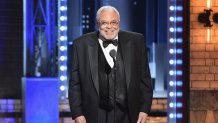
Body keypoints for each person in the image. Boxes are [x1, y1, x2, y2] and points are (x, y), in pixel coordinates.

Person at [68, 5, 153, 123]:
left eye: (113, 22)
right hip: (94, 115)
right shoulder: (81, 44)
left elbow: (145, 80)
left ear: (118, 23)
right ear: (98, 24)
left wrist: (144, 109)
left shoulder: (136, 41)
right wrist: (78, 114)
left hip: (127, 114)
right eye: (104, 23)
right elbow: (74, 85)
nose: (109, 27)